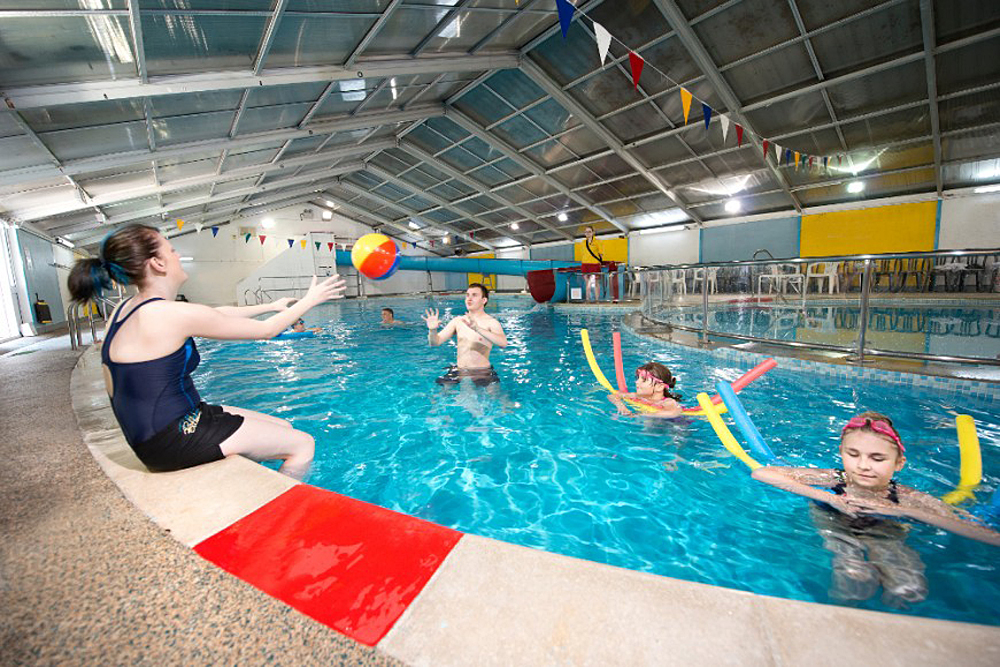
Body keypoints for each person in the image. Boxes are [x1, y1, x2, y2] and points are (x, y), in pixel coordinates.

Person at [67, 224, 346, 480]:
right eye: (171, 250)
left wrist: (270, 306)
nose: (177, 256)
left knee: (283, 427)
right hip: (172, 438)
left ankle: (252, 483)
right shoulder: (166, 314)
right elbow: (266, 331)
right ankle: (281, 508)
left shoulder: (127, 309)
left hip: (159, 430)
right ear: (158, 263)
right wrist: (311, 300)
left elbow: (213, 314)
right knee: (303, 444)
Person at [752, 412, 1000, 607]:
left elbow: (982, 533)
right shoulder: (835, 478)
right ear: (841, 453)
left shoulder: (906, 497)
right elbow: (762, 473)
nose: (863, 466)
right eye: (853, 454)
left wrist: (904, 511)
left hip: (885, 529)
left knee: (909, 586)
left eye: (877, 458)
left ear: (899, 463)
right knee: (852, 578)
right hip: (834, 523)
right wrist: (829, 498)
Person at [421, 283, 507, 387]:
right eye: (467, 295)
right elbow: (435, 342)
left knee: (496, 395)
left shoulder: (491, 322)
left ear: (484, 300)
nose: (469, 299)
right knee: (440, 395)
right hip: (459, 370)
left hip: (482, 372)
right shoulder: (458, 321)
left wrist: (478, 329)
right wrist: (432, 330)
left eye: (474, 295)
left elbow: (503, 343)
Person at [607, 361, 683, 418]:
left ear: (659, 387)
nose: (637, 382)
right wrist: (621, 407)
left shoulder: (667, 402)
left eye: (643, 380)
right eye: (638, 378)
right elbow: (613, 396)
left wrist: (640, 415)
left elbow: (673, 412)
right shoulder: (638, 396)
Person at [581, 225, 604, 302]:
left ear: (593, 232)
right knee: (587, 282)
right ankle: (588, 299)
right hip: (585, 264)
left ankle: (597, 300)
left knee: (596, 282)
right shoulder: (583, 242)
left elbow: (601, 254)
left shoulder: (597, 242)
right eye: (586, 232)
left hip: (594, 264)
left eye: (589, 231)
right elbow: (583, 254)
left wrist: (599, 263)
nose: (587, 233)